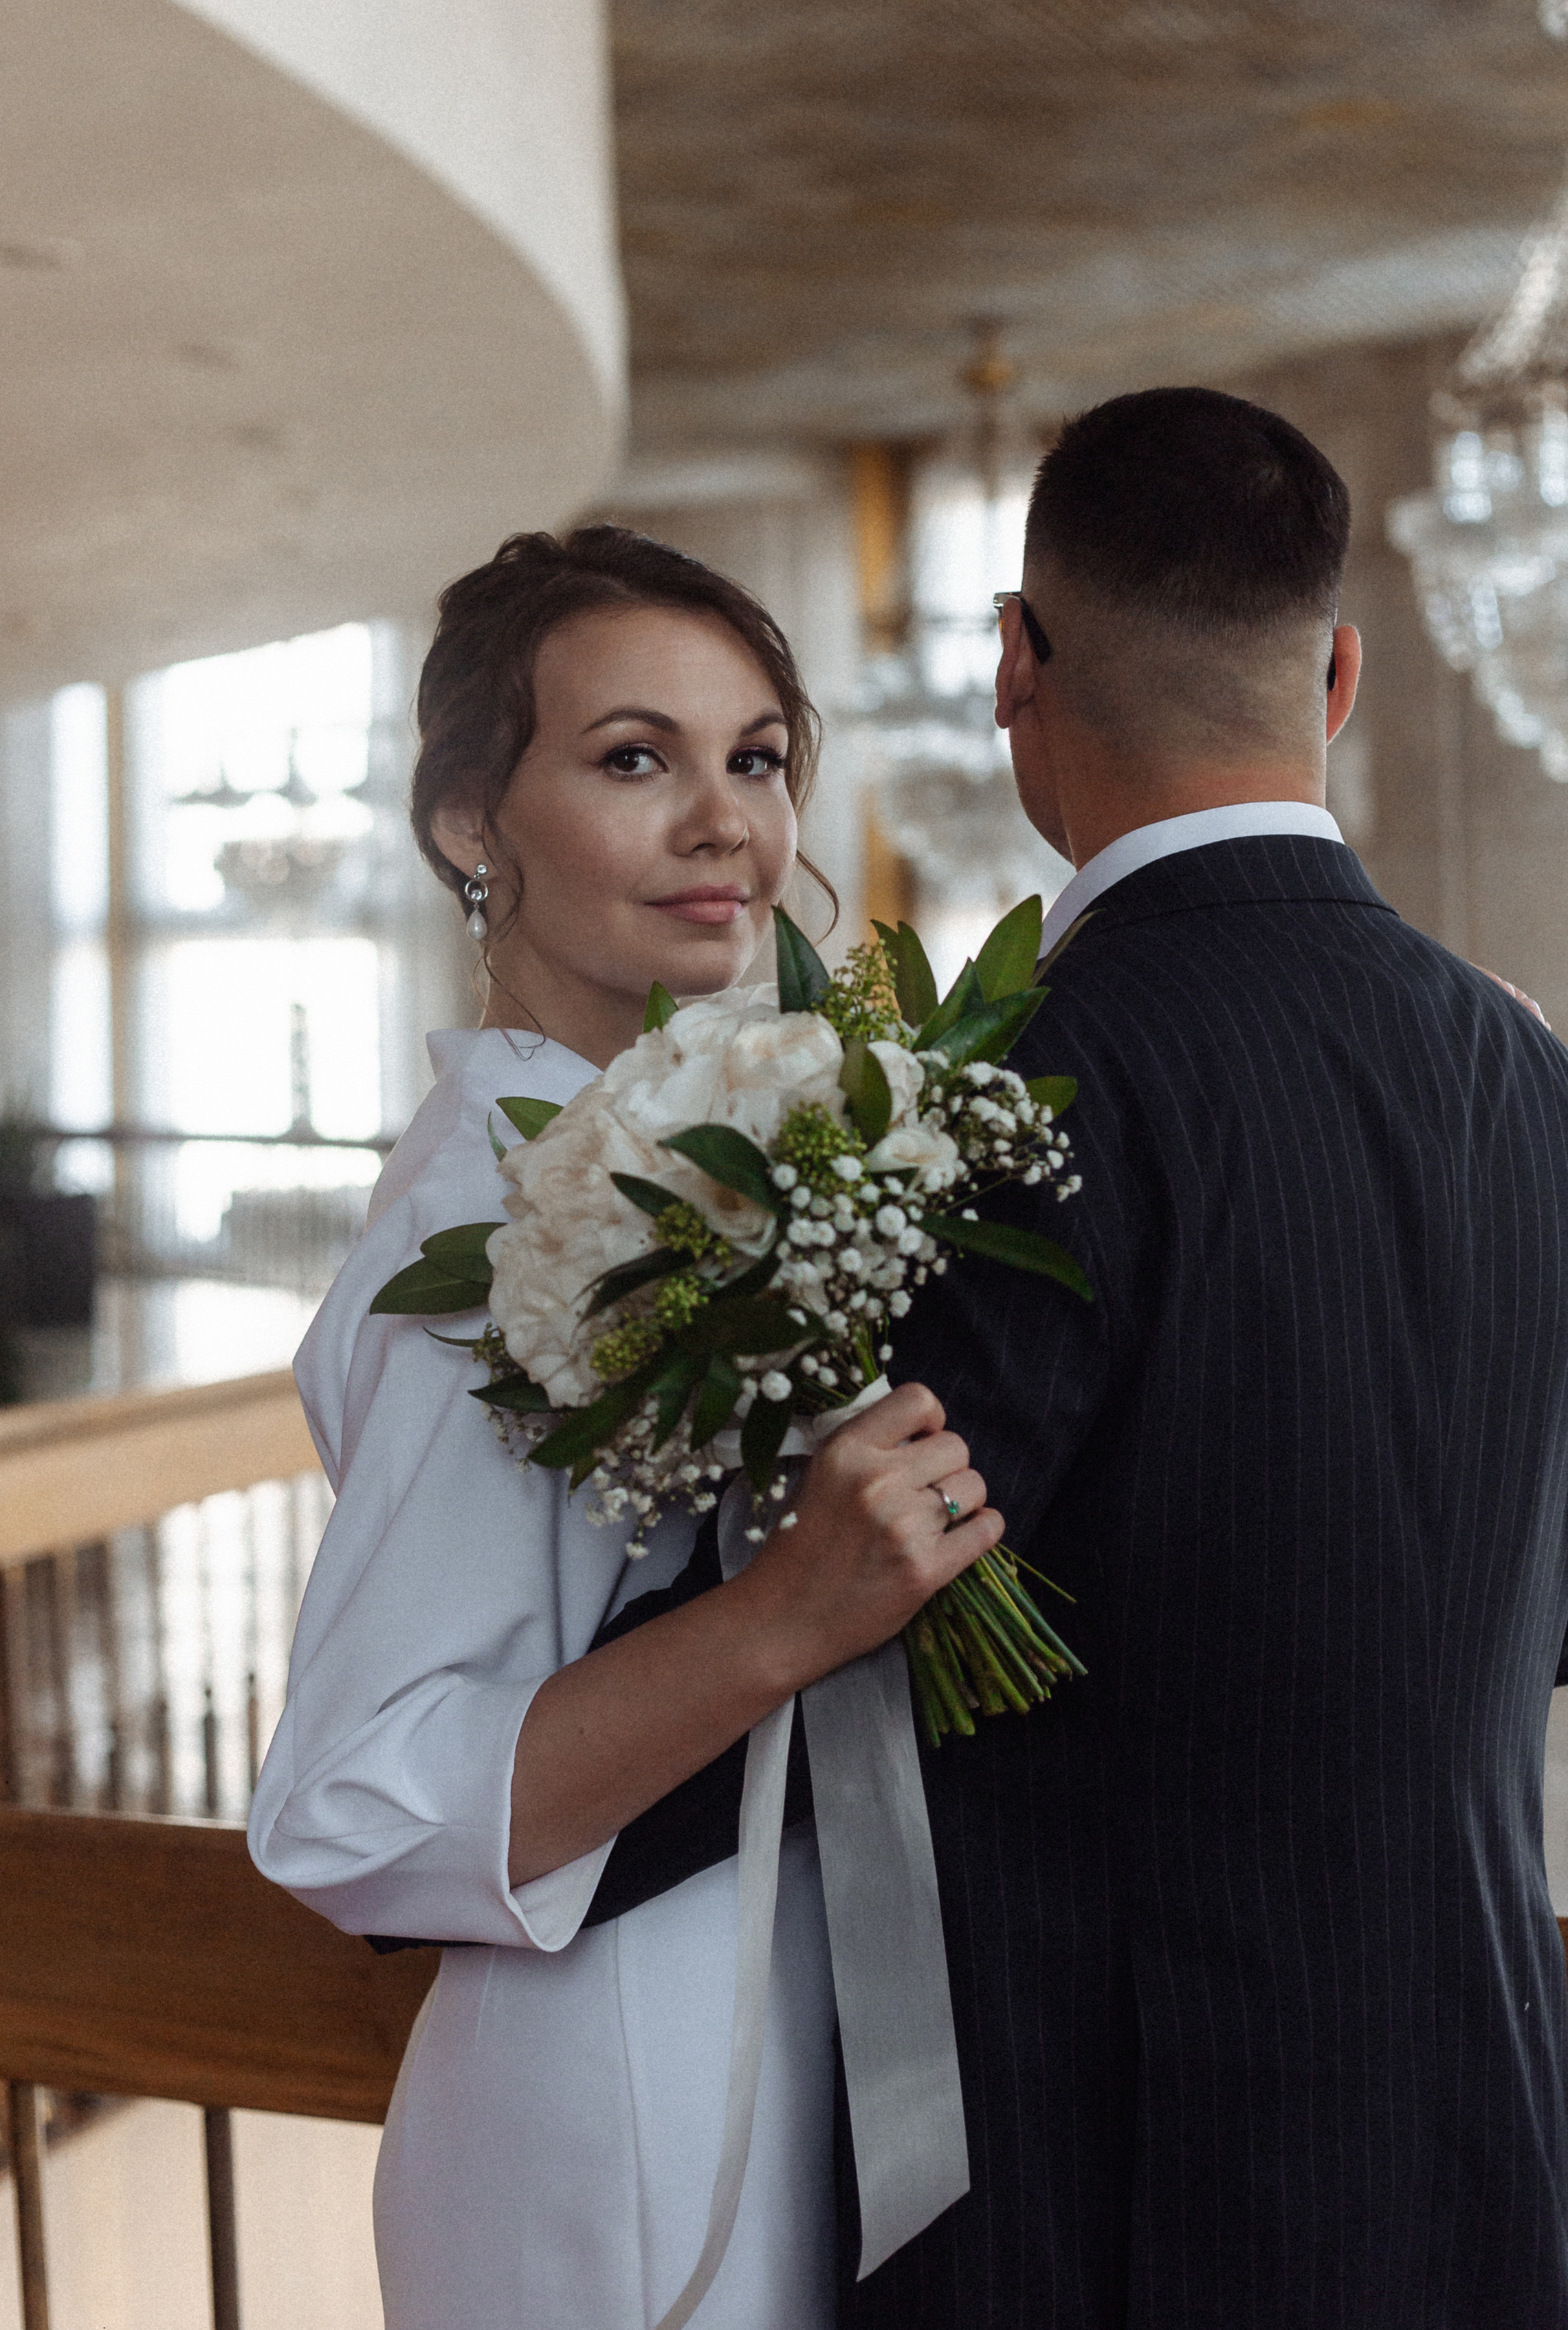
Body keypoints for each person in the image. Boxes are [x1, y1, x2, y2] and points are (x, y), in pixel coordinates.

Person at [601, 386, 1568, 2327]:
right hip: (1485, 2127)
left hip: (1124, 2180)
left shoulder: (1008, 1100)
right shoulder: (1535, 1076)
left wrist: (511, 1825)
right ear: (1345, 672)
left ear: (1014, 664)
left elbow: (861, 1608)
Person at [247, 525, 1000, 2330]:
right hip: (627, 2106)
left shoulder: (672, 1155)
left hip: (786, 2028)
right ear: (465, 826)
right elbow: (351, 1807)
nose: (726, 820)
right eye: (632, 758)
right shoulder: (486, 1243)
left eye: (755, 759)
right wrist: (779, 1618)